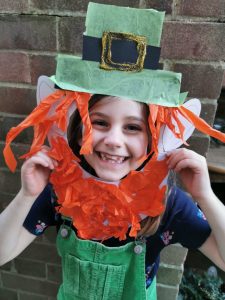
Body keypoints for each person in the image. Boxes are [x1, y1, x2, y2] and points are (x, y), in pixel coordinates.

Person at [1, 3, 225, 300]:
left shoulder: (167, 204)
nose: (113, 140)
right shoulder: (58, 192)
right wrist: (26, 196)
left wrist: (205, 197)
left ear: (153, 138)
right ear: (76, 129)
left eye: (133, 127)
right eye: (99, 123)